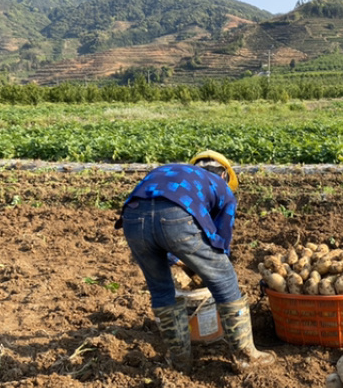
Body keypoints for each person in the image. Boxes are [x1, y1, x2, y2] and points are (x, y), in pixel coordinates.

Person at [117, 150, 276, 373]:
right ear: (224, 175)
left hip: (132, 218)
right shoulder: (221, 188)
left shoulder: (178, 172)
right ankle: (246, 356)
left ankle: (180, 363)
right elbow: (221, 239)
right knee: (225, 278)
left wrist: (178, 259)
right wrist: (214, 266)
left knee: (162, 290)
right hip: (176, 215)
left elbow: (159, 228)